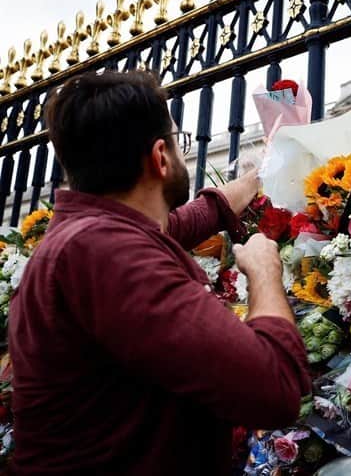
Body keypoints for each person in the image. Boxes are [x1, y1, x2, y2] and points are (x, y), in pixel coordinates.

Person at [8, 70, 310, 475]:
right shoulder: (106, 250)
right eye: (178, 141)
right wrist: (264, 272)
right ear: (160, 157)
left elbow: (190, 219)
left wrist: (268, 169)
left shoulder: (93, 236)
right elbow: (275, 389)